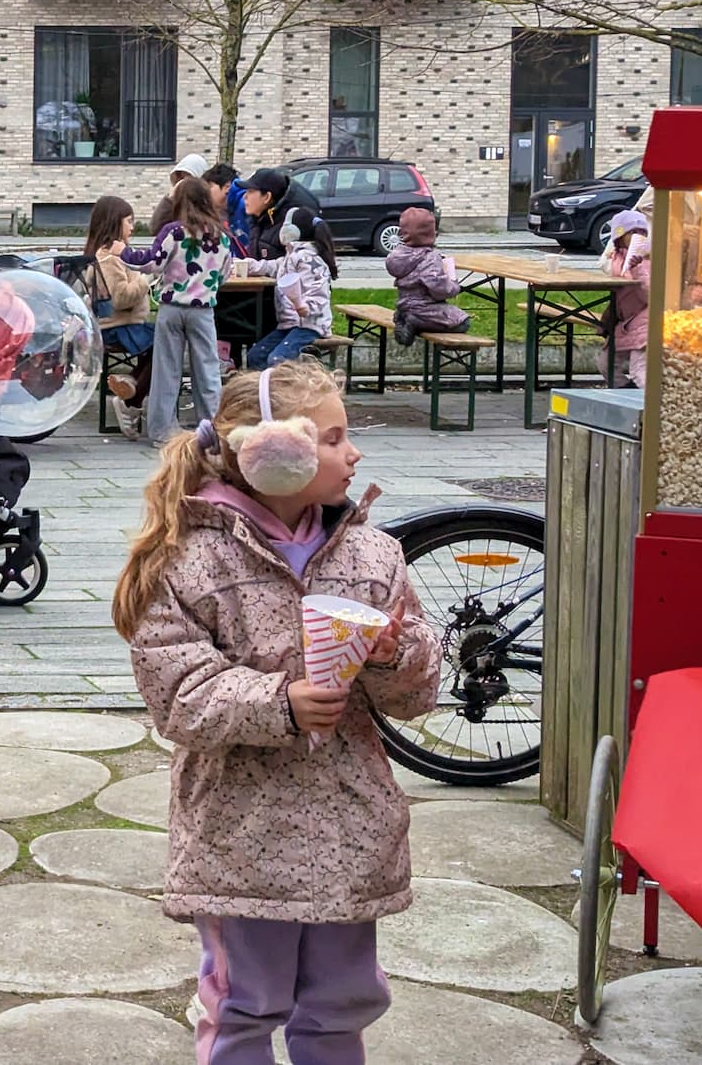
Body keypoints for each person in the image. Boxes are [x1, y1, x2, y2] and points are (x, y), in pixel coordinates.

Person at [112, 361, 441, 1065]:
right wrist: (278, 702)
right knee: (243, 1003)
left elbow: (416, 694)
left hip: (348, 830)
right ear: (269, 450)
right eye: (332, 437)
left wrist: (392, 655)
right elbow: (179, 694)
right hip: (242, 834)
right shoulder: (189, 561)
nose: (353, 453)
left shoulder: (373, 554)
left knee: (340, 1002)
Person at [123, 178, 236, 446]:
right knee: (207, 370)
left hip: (172, 307)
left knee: (167, 370)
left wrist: (122, 252)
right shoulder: (222, 236)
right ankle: (211, 429)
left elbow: (152, 263)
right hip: (203, 310)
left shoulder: (174, 232)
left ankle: (162, 432)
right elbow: (225, 274)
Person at [81, 196, 156, 441]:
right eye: (129, 221)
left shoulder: (105, 254)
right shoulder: (110, 258)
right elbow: (121, 298)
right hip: (119, 327)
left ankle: (131, 384)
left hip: (121, 325)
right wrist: (145, 279)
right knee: (167, 344)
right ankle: (131, 401)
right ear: (115, 224)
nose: (133, 227)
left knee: (164, 341)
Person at [235, 208, 339, 368]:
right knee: (255, 356)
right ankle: (263, 390)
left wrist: (306, 307)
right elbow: (267, 267)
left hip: (310, 326)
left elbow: (319, 293)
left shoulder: (309, 260)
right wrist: (244, 265)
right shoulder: (288, 259)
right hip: (289, 325)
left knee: (278, 360)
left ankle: (287, 389)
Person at [385, 207, 469, 346]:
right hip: (425, 309)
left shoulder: (397, 255)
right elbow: (439, 289)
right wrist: (453, 284)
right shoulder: (429, 258)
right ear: (431, 233)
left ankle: (405, 319)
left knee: (415, 314)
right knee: (463, 321)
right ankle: (416, 323)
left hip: (404, 305)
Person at [600, 209, 651, 387]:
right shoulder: (615, 257)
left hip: (645, 321)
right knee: (606, 364)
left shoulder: (646, 261)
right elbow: (611, 276)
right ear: (620, 236)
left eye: (641, 233)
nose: (637, 236)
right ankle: (628, 395)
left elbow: (649, 295)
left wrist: (637, 269)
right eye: (632, 232)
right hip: (626, 322)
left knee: (640, 370)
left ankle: (648, 408)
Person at [240, 168, 324, 260]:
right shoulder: (258, 219)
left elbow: (293, 265)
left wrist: (256, 267)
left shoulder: (292, 225)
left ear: (267, 197)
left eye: (251, 191)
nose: (245, 196)